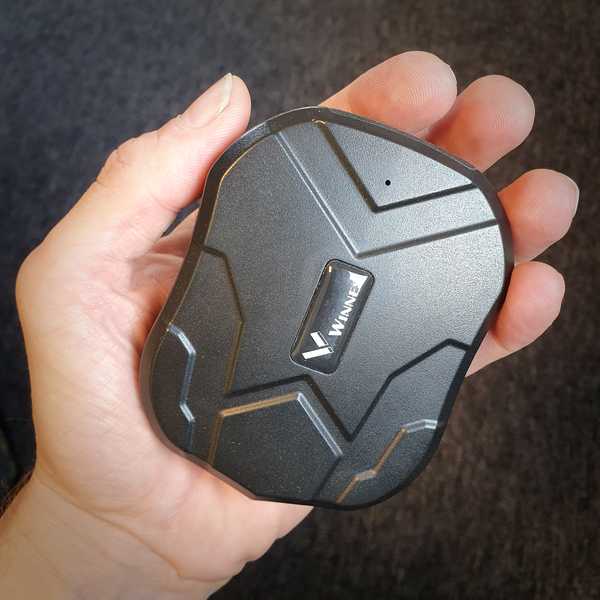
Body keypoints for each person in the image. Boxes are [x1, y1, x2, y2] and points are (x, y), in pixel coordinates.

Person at [0, 51, 578, 598]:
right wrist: (93, 527)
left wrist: (86, 535)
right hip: (237, 419)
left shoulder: (288, 159)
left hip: (307, 210)